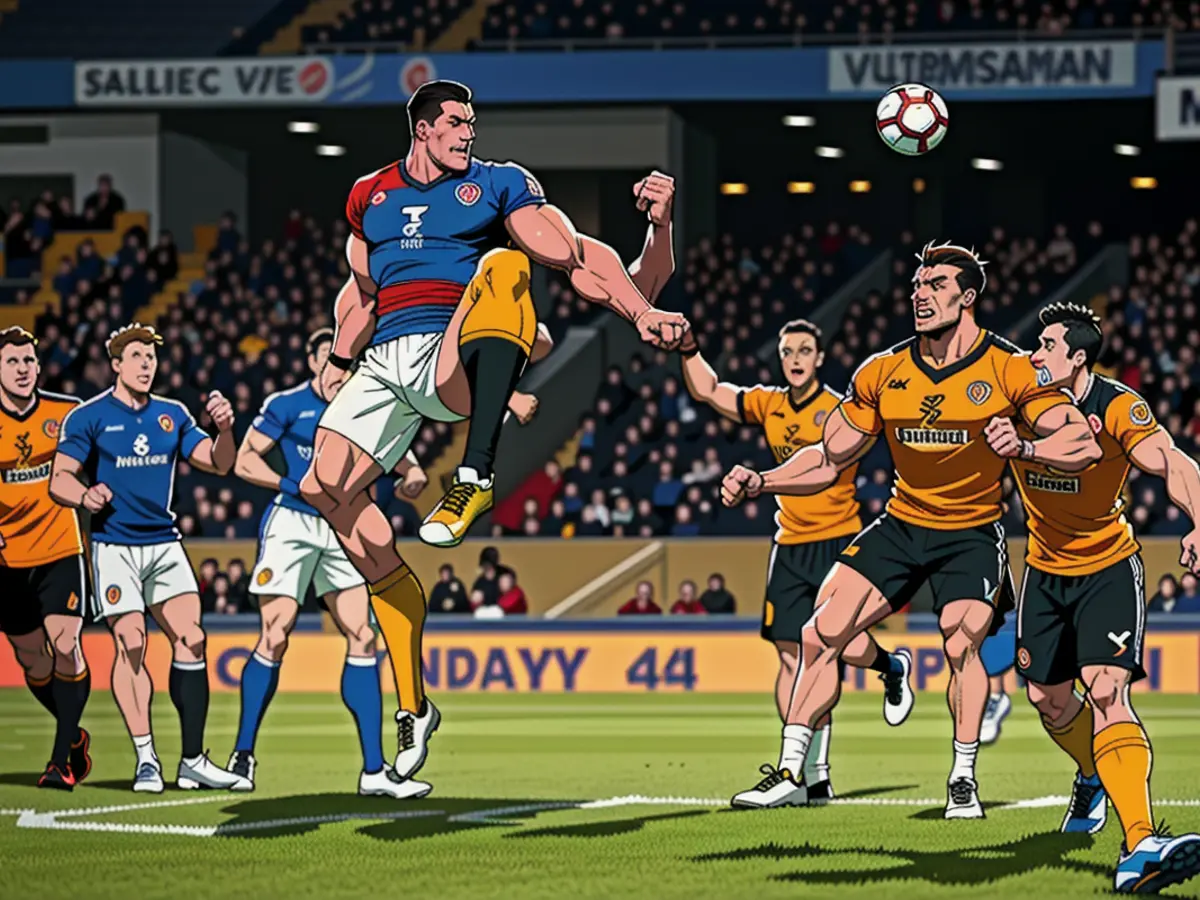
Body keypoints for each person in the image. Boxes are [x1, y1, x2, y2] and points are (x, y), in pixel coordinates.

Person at [302, 79, 684, 782]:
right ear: (422, 129)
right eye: (454, 124)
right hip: (384, 358)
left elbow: (578, 258)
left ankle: (473, 474)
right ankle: (415, 704)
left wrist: (640, 312)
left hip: (452, 351)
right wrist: (336, 357)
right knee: (326, 487)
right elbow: (360, 291)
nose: (467, 134)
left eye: (472, 124)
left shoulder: (502, 186)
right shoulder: (368, 196)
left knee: (507, 265)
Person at [721, 242, 1100, 817]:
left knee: (959, 638)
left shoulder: (1009, 368)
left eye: (936, 285)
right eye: (918, 284)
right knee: (820, 632)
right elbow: (828, 457)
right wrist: (762, 481)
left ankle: (963, 776)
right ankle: (792, 772)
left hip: (971, 532)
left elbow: (1081, 441)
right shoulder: (883, 370)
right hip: (901, 524)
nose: (920, 294)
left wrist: (1024, 445)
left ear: (968, 297)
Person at [681, 317, 913, 803]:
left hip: (838, 540)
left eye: (804, 350)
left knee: (836, 648)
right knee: (792, 657)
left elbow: (826, 473)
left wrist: (761, 479)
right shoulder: (769, 404)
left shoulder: (838, 411)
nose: (794, 359)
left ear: (820, 358)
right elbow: (709, 391)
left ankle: (889, 668)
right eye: (787, 351)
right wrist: (688, 347)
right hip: (788, 544)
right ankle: (809, 774)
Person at [1009, 302, 1200, 891]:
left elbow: (1168, 459)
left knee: (1107, 688)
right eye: (1034, 346)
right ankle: (1092, 773)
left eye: (1046, 346)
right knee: (1048, 701)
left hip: (1107, 569)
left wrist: (1198, 517)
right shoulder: (1012, 398)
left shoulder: (1117, 406)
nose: (1034, 355)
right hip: (1043, 572)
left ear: (1078, 358)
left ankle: (1141, 844)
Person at [228, 328, 430, 798]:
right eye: (330, 358)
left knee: (364, 635)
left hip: (347, 524)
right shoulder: (286, 404)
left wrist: (415, 476)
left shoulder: (368, 403)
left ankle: (374, 771)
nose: (340, 370)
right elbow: (244, 461)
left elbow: (406, 461)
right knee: (275, 633)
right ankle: (243, 755)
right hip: (294, 524)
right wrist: (294, 487)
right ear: (315, 360)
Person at [50, 324, 249, 794]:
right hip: (116, 547)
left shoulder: (172, 415)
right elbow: (59, 480)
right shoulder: (89, 417)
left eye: (151, 357)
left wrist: (225, 429)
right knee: (133, 644)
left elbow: (219, 462)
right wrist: (85, 494)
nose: (146, 364)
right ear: (116, 364)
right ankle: (146, 759)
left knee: (193, 638)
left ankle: (194, 760)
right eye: (136, 355)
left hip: (164, 544)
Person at [0, 327, 92, 790]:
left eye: (29, 361)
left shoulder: (67, 414)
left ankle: (60, 763)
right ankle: (73, 735)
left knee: (66, 643)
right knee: (33, 660)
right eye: (13, 362)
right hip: (7, 562)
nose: (22, 370)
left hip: (60, 549)